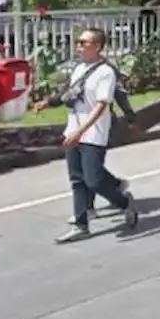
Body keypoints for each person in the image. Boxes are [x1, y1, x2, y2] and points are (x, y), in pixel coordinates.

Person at [45, 28, 140, 244]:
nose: (78, 46)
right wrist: (49, 103)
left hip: (94, 133)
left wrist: (81, 130)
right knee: (77, 180)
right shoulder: (79, 68)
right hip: (73, 130)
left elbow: (101, 106)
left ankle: (124, 202)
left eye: (83, 43)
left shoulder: (106, 72)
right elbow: (69, 94)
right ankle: (81, 224)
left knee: (94, 180)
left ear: (97, 46)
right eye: (77, 42)